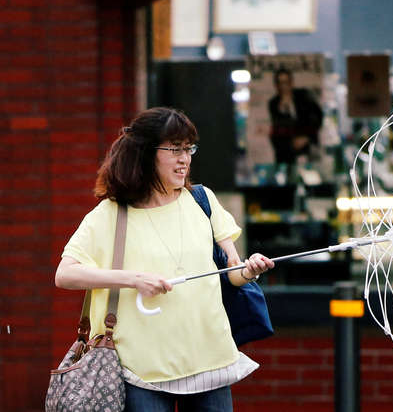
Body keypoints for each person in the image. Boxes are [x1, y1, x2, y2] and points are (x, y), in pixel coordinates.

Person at [55, 107, 274, 411]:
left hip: (209, 360)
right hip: (141, 371)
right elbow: (65, 274)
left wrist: (250, 270)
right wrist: (134, 279)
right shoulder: (112, 214)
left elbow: (233, 271)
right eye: (175, 149)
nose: (185, 158)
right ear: (146, 153)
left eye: (189, 148)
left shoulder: (203, 200)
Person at [268, 68, 323, 165]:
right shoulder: (274, 103)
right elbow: (279, 126)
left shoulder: (303, 96)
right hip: (286, 152)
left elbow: (318, 116)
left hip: (307, 148)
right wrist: (283, 107)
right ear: (276, 85)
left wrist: (307, 137)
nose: (283, 86)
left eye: (286, 82)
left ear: (291, 83)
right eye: (280, 83)